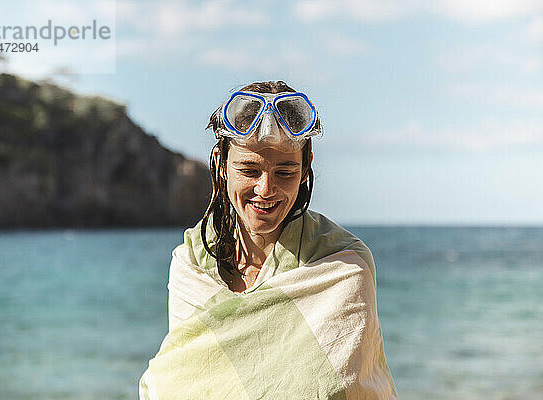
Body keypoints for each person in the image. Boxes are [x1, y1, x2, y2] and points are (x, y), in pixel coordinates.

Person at [139, 81, 398, 399]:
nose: (265, 189)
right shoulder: (192, 262)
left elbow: (349, 389)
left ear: (306, 167)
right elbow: (179, 382)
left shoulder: (344, 266)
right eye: (249, 170)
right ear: (221, 163)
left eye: (285, 172)